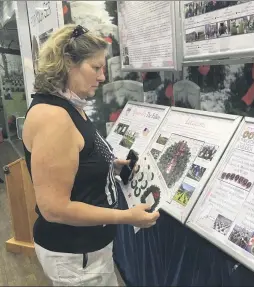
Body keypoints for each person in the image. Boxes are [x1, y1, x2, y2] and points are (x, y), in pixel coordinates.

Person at [22, 24, 160, 286]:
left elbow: (78, 158)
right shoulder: (53, 117)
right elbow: (55, 209)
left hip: (89, 252)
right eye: (95, 68)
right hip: (76, 256)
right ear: (67, 64)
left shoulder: (70, 106)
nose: (102, 77)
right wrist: (126, 217)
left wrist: (110, 165)